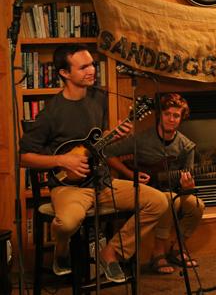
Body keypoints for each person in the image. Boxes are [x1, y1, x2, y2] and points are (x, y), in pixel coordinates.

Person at [19, 44, 169, 283]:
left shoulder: (99, 97)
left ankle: (111, 252)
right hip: (69, 187)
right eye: (83, 67)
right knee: (67, 223)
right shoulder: (52, 112)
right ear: (65, 73)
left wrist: (115, 136)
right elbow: (23, 157)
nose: (92, 70)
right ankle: (62, 249)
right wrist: (61, 159)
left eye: (92, 64)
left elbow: (98, 144)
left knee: (158, 202)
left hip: (102, 182)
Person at [105, 93, 205, 274]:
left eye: (176, 116)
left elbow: (187, 179)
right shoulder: (142, 139)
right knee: (168, 199)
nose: (171, 119)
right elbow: (107, 152)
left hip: (174, 189)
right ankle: (158, 253)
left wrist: (188, 186)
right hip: (148, 192)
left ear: (182, 118)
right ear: (160, 115)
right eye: (167, 114)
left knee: (197, 205)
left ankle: (177, 248)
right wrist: (129, 174)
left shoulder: (186, 146)